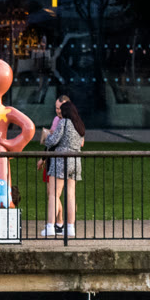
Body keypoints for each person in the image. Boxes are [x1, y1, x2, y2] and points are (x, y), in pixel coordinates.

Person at [43, 93, 86, 237]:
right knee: (71, 195)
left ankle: (50, 226)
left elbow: (52, 141)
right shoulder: (79, 124)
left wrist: (48, 136)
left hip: (61, 160)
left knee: (54, 194)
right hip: (75, 161)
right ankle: (70, 228)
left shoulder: (64, 123)